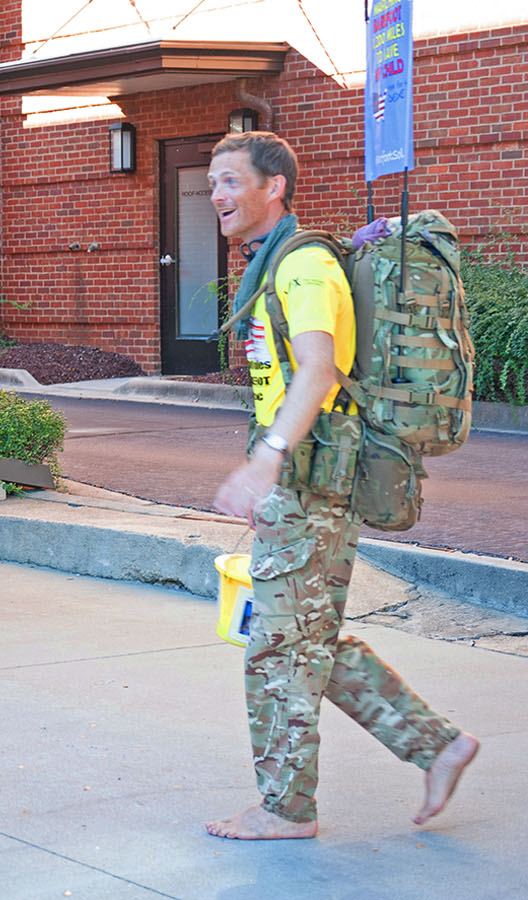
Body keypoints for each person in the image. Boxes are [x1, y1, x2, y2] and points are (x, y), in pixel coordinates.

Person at [205, 132, 479, 840]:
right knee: (306, 638)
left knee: (278, 648)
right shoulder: (278, 265)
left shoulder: (303, 268)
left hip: (309, 477)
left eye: (232, 181)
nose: (218, 197)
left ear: (276, 188)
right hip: (306, 475)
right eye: (212, 184)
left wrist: (266, 459)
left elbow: (319, 371)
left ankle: (284, 809)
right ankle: (437, 744)